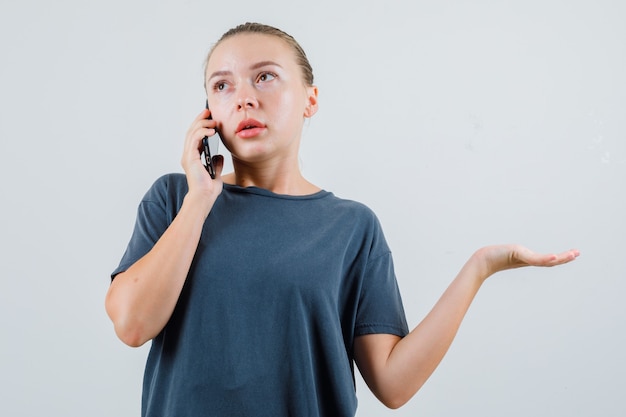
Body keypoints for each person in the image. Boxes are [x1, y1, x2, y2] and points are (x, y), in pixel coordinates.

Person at [105, 22, 579, 417]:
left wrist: (480, 266)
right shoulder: (174, 198)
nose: (243, 98)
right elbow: (131, 324)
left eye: (265, 77)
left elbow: (393, 384)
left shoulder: (352, 228)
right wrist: (200, 199)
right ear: (209, 112)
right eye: (222, 85)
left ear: (310, 99)